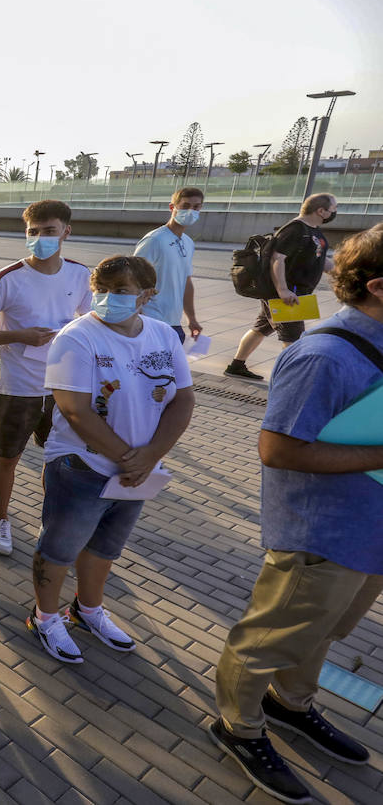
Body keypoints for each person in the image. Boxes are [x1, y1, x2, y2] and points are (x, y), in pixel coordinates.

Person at [208, 224, 383, 805]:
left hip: (367, 529)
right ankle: (239, 726)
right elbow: (277, 449)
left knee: (320, 632)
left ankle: (291, 705)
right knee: (266, 640)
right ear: (379, 287)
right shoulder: (324, 355)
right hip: (322, 533)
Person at [27, 255, 193, 663]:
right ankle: (45, 617)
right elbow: (75, 410)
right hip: (82, 467)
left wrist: (151, 456)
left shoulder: (163, 335)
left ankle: (87, 611)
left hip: (135, 473)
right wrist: (128, 458)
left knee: (105, 548)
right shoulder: (77, 336)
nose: (106, 299)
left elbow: (184, 399)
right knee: (60, 549)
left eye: (120, 291)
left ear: (147, 295)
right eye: (101, 290)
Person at [0, 200, 91, 556]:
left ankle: (50, 520)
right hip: (16, 386)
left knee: (60, 460)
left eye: (49, 231)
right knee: (8, 457)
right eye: (33, 232)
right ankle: (1, 520)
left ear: (66, 231)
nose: (40, 238)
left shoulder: (81, 275)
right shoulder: (7, 278)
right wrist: (19, 336)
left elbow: (93, 323)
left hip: (63, 388)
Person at [226, 193, 338, 380]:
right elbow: (278, 259)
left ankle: (236, 365)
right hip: (287, 294)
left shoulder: (314, 231)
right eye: (333, 209)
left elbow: (320, 259)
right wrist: (283, 290)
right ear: (321, 211)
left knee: (262, 328)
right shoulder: (295, 230)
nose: (335, 212)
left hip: (295, 292)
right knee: (293, 338)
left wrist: (345, 273)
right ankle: (293, 379)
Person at [133, 187, 204, 344]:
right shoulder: (154, 240)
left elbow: (186, 282)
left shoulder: (188, 242)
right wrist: (137, 315)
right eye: (185, 206)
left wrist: (191, 319)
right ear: (173, 207)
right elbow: (132, 277)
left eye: (196, 207)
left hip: (173, 323)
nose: (191, 211)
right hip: (151, 320)